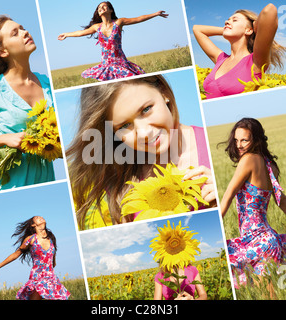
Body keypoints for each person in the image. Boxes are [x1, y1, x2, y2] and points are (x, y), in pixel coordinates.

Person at [66, 74, 216, 229]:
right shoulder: (121, 183)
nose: (144, 133)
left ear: (164, 92)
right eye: (124, 126)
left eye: (146, 109)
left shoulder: (214, 144)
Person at [0, 15, 55, 192]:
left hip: (45, 179)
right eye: (15, 33)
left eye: (23, 28)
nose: (25, 33)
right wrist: (4, 139)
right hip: (8, 182)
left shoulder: (48, 84)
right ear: (3, 51)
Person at [220, 118, 286, 289]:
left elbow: (227, 196)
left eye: (244, 140)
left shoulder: (248, 159)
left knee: (225, 261)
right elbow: (282, 202)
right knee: (268, 293)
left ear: (256, 140)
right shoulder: (270, 165)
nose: (239, 145)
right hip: (271, 241)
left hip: (255, 242)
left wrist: (216, 227)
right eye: (236, 140)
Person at [193, 3, 286, 99]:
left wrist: (254, 28)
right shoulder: (220, 59)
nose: (226, 21)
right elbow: (197, 29)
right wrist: (227, 29)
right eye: (228, 20)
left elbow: (270, 10)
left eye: (235, 20)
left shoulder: (256, 61)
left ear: (249, 30)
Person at [58, 1, 168, 81]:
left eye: (104, 6)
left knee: (133, 81)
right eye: (99, 8)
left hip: (120, 63)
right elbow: (80, 33)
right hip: (106, 65)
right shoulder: (97, 27)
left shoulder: (119, 23)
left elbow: (138, 18)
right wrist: (66, 34)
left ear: (110, 10)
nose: (101, 8)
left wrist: (155, 14)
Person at [0, 216, 70, 300]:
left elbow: (53, 263)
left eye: (41, 216)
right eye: (37, 218)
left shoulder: (51, 238)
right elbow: (15, 254)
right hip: (37, 278)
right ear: (33, 225)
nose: (41, 217)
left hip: (51, 279)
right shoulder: (31, 239)